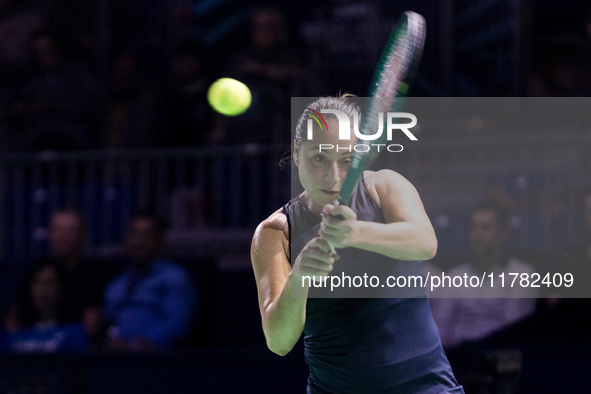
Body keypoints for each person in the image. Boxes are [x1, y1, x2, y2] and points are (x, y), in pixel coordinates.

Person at [251, 96, 463, 393]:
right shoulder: (276, 231)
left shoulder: (384, 186)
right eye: (319, 158)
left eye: (347, 160)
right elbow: (279, 342)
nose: (333, 176)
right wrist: (299, 278)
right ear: (298, 152)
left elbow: (425, 242)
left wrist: (354, 233)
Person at [429, 202, 538, 349]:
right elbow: (440, 328)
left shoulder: (523, 274)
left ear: (503, 234)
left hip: (500, 358)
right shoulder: (454, 276)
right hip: (459, 360)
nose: (477, 234)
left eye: (486, 227)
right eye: (473, 227)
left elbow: (514, 332)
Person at [102, 212, 197, 350]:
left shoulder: (175, 277)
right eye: (135, 234)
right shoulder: (116, 285)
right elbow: (109, 324)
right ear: (127, 239)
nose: (140, 241)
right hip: (115, 358)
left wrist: (137, 344)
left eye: (147, 235)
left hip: (156, 360)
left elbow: (177, 326)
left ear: (160, 241)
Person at [4, 260, 88, 352]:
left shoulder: (75, 333)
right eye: (37, 282)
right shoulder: (14, 333)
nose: (42, 289)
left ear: (62, 288)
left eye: (50, 282)